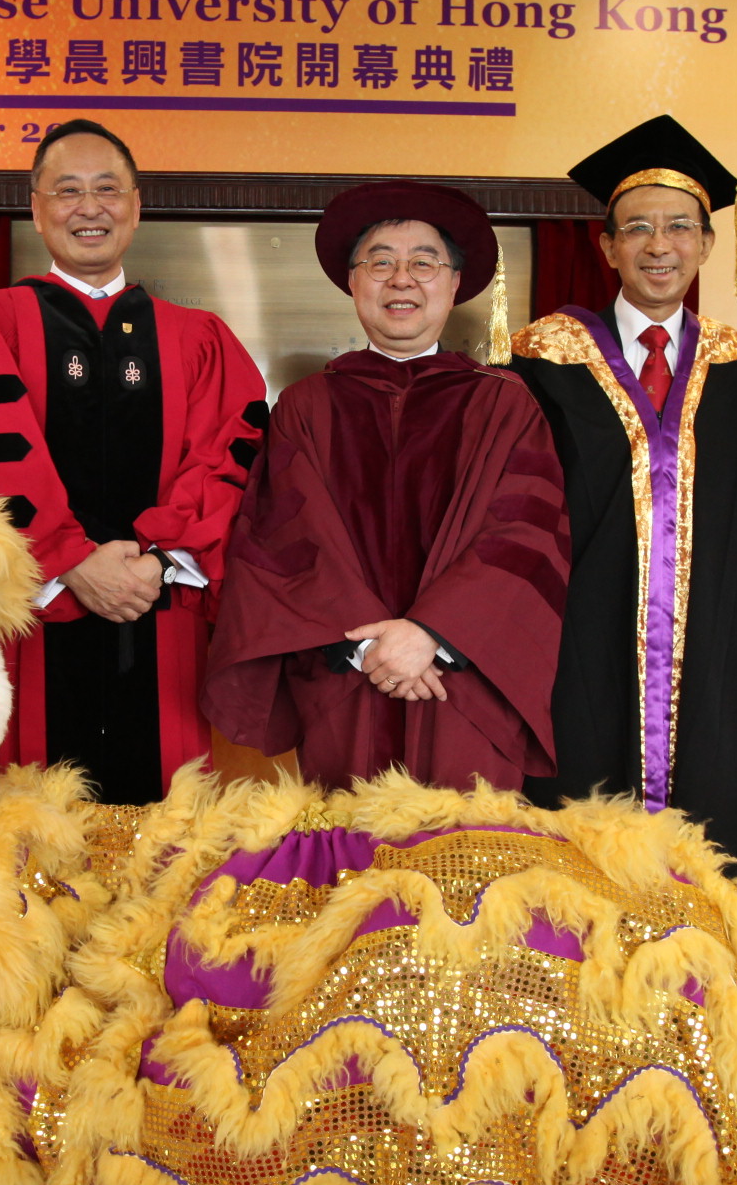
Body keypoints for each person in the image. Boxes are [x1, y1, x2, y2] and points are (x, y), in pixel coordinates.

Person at [0, 121, 267, 802]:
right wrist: (71, 561)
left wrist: (159, 560)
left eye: (108, 190)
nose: (90, 208)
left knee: (166, 848)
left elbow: (233, 457)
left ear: (136, 207)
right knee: (33, 839)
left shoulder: (200, 337)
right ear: (37, 207)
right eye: (68, 191)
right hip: (39, 620)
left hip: (164, 616)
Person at [202, 181, 567, 792]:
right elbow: (286, 540)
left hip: (465, 683)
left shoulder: (505, 406)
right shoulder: (305, 408)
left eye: (424, 262)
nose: (402, 279)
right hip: (346, 678)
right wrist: (372, 648)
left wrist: (433, 635)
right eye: (380, 262)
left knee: (463, 864)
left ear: (455, 284)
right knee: (345, 869)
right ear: (353, 282)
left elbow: (523, 539)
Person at [515, 115, 737, 872]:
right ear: (608, 246)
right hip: (578, 648)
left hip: (712, 650)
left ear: (709, 243)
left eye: (681, 227)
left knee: (708, 847)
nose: (660, 247)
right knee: (577, 845)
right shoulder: (544, 359)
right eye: (638, 229)